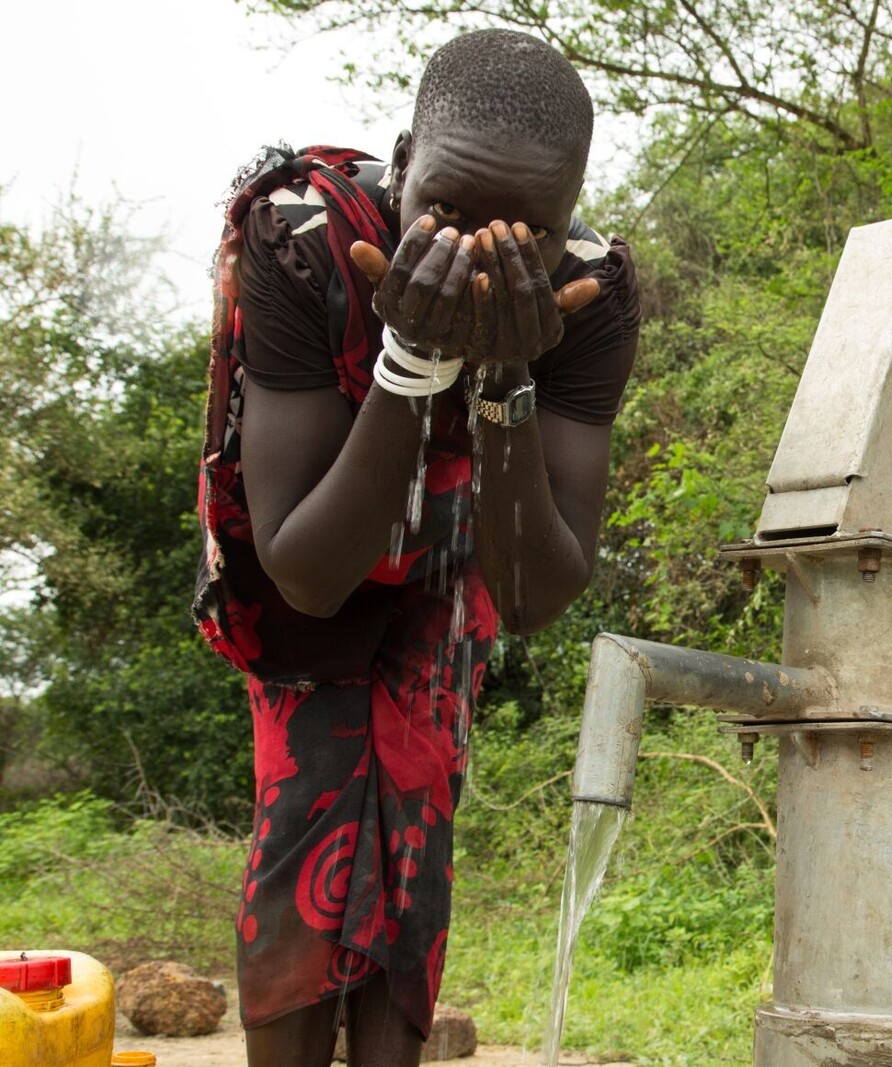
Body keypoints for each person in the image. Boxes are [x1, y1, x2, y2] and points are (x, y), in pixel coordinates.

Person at [192, 29, 640, 1067]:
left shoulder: (588, 296)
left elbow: (533, 588)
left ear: (569, 214)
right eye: (443, 213)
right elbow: (305, 568)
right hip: (310, 541)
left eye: (526, 230)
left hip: (452, 558)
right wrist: (410, 362)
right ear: (401, 163)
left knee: (414, 824)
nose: (483, 252)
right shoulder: (302, 238)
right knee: (308, 815)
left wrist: (501, 380)